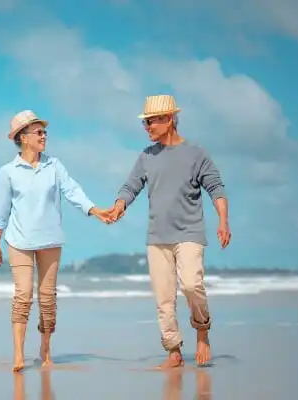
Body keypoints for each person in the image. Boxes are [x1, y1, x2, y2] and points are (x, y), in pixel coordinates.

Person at [107, 95, 231, 368]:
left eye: (152, 121)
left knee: (191, 285)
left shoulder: (196, 154)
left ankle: (202, 330)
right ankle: (173, 351)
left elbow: (216, 188)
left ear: (170, 120)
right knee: (164, 300)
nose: (147, 127)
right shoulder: (146, 157)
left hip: (189, 233)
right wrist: (119, 206)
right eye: (145, 122)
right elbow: (130, 186)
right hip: (157, 237)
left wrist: (223, 221)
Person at [0, 110, 112, 372]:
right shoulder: (7, 172)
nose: (44, 136)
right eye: (39, 132)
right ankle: (19, 354)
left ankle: (45, 349)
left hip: (50, 240)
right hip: (18, 241)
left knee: (47, 300)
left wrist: (95, 210)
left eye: (44, 132)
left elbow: (72, 191)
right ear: (23, 138)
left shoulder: (54, 166)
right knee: (23, 295)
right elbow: (2, 210)